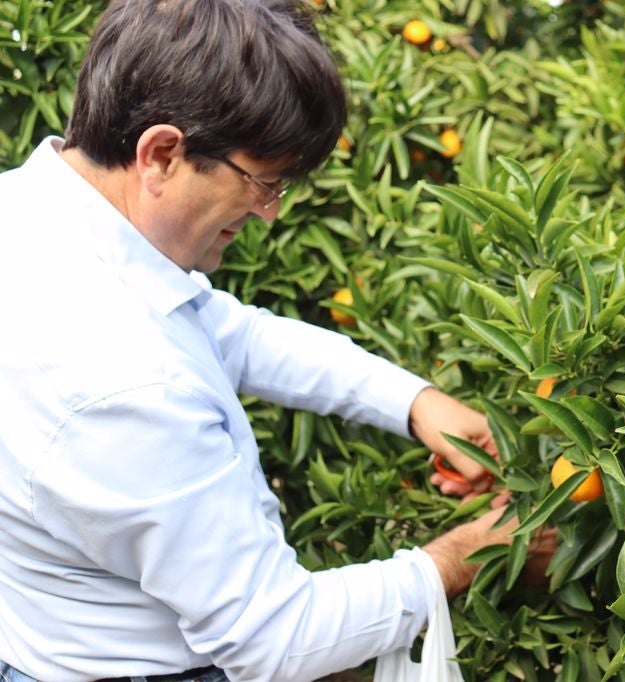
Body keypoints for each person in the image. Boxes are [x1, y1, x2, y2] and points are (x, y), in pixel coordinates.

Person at [0, 1, 550, 680]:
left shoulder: (36, 214)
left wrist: (415, 403)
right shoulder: (123, 380)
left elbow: (229, 332)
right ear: (162, 154)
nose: (270, 211)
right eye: (262, 182)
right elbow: (276, 638)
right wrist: (468, 552)